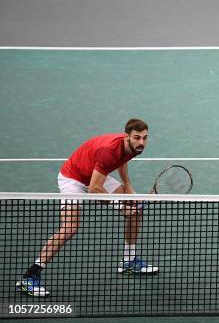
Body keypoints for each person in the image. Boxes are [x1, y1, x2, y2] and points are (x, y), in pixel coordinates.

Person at [16, 119, 158, 297]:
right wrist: (121, 206)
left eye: (145, 138)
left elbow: (122, 160)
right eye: (137, 138)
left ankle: (129, 261)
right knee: (70, 228)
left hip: (96, 174)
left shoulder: (133, 147)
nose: (141, 142)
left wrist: (128, 186)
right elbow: (94, 190)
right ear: (127, 136)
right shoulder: (109, 151)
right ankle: (29, 277)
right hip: (73, 178)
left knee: (136, 210)